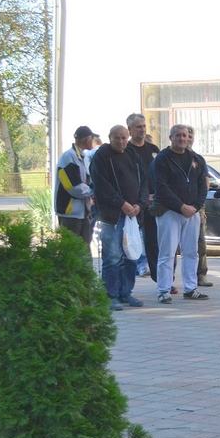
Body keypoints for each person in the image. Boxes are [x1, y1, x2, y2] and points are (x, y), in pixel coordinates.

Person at [90, 125, 148, 311]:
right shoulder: (102, 156)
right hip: (111, 216)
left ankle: (126, 292)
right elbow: (102, 185)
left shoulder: (132, 154)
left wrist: (140, 204)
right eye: (117, 138)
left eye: (124, 137)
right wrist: (121, 203)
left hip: (133, 215)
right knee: (113, 257)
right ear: (110, 137)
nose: (122, 141)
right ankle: (110, 295)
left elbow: (144, 182)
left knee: (131, 255)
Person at [153, 124, 209, 303]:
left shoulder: (196, 159)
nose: (182, 139)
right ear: (171, 138)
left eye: (185, 135)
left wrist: (196, 206)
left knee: (191, 252)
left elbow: (203, 186)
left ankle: (191, 288)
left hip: (192, 213)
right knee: (167, 253)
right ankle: (163, 290)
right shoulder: (162, 158)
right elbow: (161, 187)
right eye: (178, 135)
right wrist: (181, 206)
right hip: (169, 211)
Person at [126, 113, 158, 277]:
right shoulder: (125, 150)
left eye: (144, 126)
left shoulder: (153, 150)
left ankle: (159, 278)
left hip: (152, 203)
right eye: (138, 127)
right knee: (131, 242)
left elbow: (161, 176)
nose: (142, 129)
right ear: (130, 129)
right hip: (133, 204)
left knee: (153, 242)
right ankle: (130, 277)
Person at [55, 125, 96, 245]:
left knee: (84, 247)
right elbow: (73, 187)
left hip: (82, 212)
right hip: (70, 213)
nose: (93, 141)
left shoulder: (81, 156)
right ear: (86, 139)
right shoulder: (69, 157)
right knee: (71, 248)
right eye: (92, 138)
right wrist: (94, 191)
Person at [187, 126, 213, 288]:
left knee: (200, 243)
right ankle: (169, 280)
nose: (187, 139)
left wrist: (200, 207)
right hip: (175, 208)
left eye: (190, 136)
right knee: (172, 248)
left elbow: (205, 183)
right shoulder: (168, 157)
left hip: (197, 208)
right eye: (184, 135)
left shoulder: (198, 159)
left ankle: (201, 275)